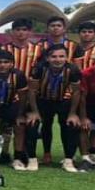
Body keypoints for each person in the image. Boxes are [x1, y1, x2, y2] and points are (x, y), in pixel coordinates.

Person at [25, 44, 82, 172]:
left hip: (63, 100)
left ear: (66, 57)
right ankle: (32, 159)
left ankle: (68, 160)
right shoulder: (39, 68)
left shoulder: (73, 69)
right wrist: (34, 112)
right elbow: (32, 91)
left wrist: (73, 113)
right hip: (42, 100)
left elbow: (76, 92)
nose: (58, 59)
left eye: (61, 56)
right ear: (47, 58)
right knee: (32, 123)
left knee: (71, 125)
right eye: (54, 56)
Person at [0, 18, 39, 164]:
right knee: (5, 126)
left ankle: (22, 153)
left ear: (30, 32)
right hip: (7, 93)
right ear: (12, 32)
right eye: (18, 30)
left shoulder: (38, 50)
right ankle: (4, 153)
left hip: (30, 94)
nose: (21, 33)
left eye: (24, 30)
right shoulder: (3, 49)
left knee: (26, 125)